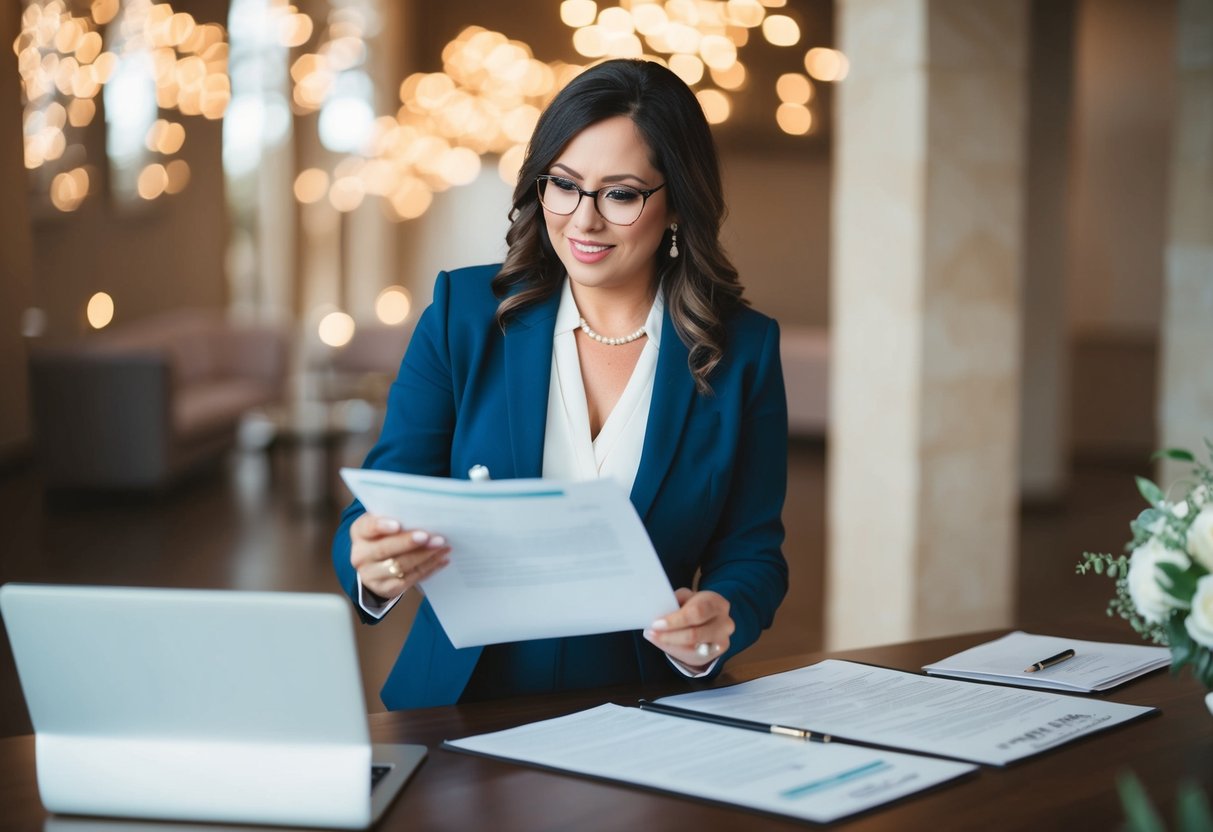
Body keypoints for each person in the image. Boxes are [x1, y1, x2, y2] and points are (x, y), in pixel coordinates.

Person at [332, 58, 788, 709]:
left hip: (649, 702)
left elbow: (753, 551)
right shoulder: (463, 314)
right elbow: (379, 505)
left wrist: (720, 614)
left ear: (678, 202)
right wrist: (372, 567)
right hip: (458, 705)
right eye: (564, 185)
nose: (582, 220)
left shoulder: (743, 350)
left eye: (621, 194)